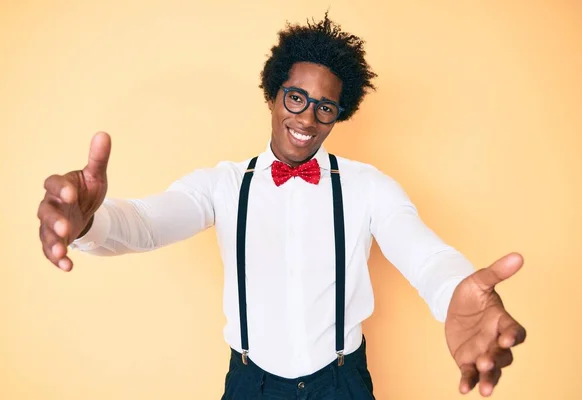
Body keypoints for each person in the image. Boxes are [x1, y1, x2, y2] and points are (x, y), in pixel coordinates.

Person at [37, 13, 526, 399]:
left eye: (324, 107)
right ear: (274, 95)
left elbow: (424, 255)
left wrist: (454, 289)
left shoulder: (368, 187)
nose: (307, 118)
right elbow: (146, 223)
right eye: (296, 98)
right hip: (252, 384)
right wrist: (89, 223)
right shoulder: (223, 184)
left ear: (339, 114)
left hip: (343, 383)